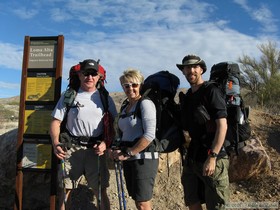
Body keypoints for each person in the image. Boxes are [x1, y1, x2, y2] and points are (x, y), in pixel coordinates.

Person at [50, 59, 117, 210]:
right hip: (71, 148)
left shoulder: (105, 98)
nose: (90, 77)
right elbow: (56, 122)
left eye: (93, 74)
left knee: (100, 192)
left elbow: (115, 125)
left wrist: (106, 143)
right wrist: (55, 143)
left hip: (96, 150)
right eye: (86, 73)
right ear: (80, 75)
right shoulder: (69, 96)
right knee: (66, 191)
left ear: (99, 76)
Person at [177, 55, 229, 210]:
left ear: (201, 69)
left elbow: (222, 126)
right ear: (183, 71)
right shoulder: (188, 96)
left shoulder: (211, 91)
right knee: (192, 200)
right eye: (187, 67)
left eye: (195, 67)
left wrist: (213, 156)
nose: (191, 70)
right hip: (193, 157)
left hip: (213, 157)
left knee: (216, 205)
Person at [111, 69, 158, 210]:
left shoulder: (145, 104)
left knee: (143, 203)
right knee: (138, 201)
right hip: (130, 158)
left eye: (134, 85)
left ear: (140, 85)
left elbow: (150, 134)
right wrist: (117, 149)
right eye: (126, 85)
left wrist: (129, 152)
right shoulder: (125, 107)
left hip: (144, 159)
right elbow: (123, 133)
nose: (130, 88)